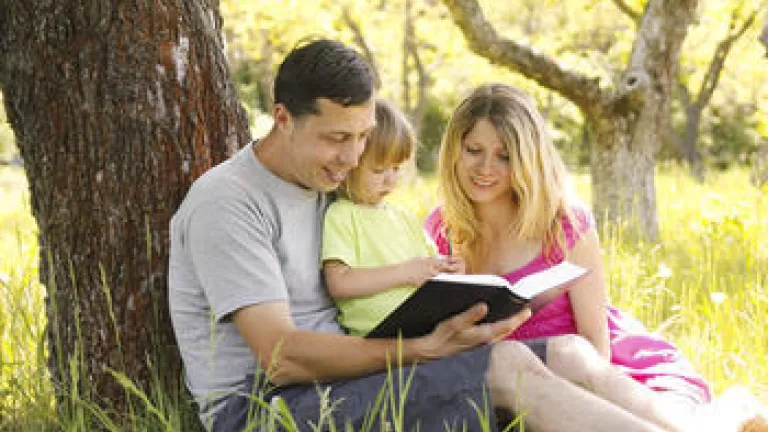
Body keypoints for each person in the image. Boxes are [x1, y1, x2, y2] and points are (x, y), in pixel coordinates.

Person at [168, 38, 698, 432]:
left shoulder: (330, 182)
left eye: (361, 137)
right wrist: (421, 348)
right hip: (267, 408)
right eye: (336, 139)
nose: (353, 157)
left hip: (346, 378)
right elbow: (282, 357)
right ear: (282, 119)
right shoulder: (230, 202)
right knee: (508, 364)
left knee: (566, 351)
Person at [424, 82, 768, 432]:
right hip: (512, 385)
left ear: (527, 160)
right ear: (455, 150)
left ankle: (734, 410)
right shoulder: (439, 230)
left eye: (504, 156)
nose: (485, 168)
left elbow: (595, 349)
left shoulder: (563, 224)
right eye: (474, 150)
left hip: (605, 378)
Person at [322, 98, 465, 337]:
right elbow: (339, 283)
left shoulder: (404, 218)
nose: (390, 180)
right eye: (378, 170)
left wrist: (448, 268)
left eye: (396, 168)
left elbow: (427, 267)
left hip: (423, 328)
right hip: (379, 338)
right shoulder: (342, 215)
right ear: (351, 163)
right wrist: (405, 273)